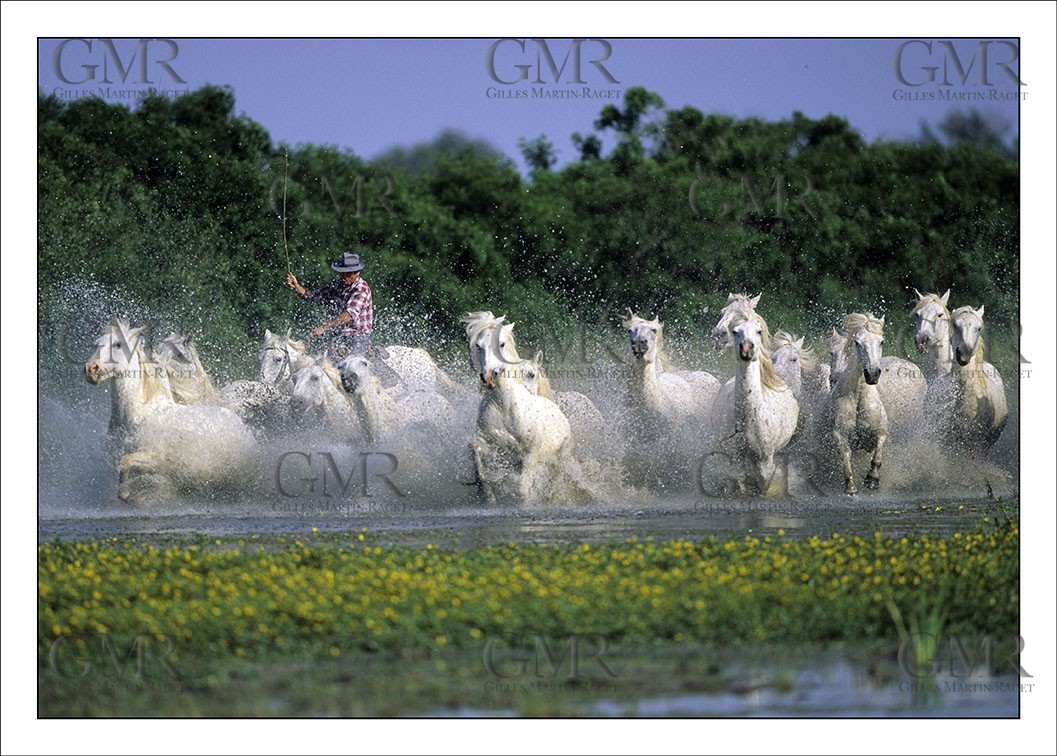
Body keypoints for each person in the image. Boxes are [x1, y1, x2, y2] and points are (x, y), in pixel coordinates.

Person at [286, 252, 373, 360]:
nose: (344, 276)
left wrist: (324, 327)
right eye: (342, 272)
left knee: (352, 368)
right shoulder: (337, 285)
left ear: (357, 273)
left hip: (356, 337)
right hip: (336, 336)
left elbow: (348, 315)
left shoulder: (361, 289)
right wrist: (296, 286)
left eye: (348, 273)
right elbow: (313, 296)